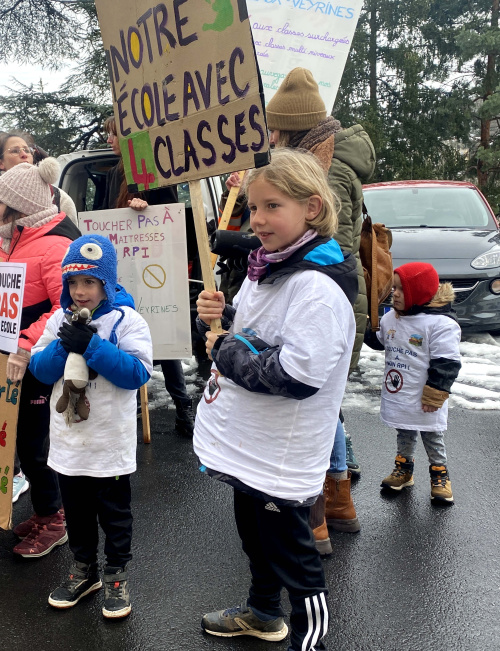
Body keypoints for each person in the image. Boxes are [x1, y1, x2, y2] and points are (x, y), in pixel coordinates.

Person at [194, 149, 357, 650]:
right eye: (251, 207)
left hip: (281, 451)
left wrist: (225, 347)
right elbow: (248, 331)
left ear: (311, 207)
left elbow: (295, 373)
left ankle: (312, 644)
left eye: (271, 206)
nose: (257, 220)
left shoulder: (316, 288)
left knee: (296, 563)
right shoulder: (266, 268)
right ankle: (264, 613)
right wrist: (218, 315)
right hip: (250, 441)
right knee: (256, 540)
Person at [263, 67, 375, 547]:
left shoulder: (326, 169)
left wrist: (258, 246)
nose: (270, 135)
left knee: (313, 406)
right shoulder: (323, 160)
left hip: (327, 303)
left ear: (292, 127)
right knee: (324, 406)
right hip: (333, 299)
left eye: (276, 128)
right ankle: (337, 500)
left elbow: (332, 245)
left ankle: (320, 517)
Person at [29, 235, 152, 618]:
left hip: (108, 441)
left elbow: (137, 372)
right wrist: (65, 345)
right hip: (69, 443)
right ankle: (85, 569)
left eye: (89, 282)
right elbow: (39, 369)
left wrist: (93, 347)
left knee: (114, 513)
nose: (80, 292)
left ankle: (116, 573)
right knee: (77, 511)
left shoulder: (127, 320)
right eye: (73, 283)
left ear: (107, 283)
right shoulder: (57, 320)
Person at [0, 157, 81, 558]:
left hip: (34, 362)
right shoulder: (7, 240)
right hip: (3, 358)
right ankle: (46, 509)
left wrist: (27, 344)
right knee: (14, 437)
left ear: (20, 206)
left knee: (35, 442)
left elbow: (65, 307)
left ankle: (55, 518)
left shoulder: (56, 246)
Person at [100, 116, 195, 438]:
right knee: (128, 332)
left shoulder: (153, 170)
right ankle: (135, 409)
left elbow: (171, 213)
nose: (109, 140)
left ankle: (184, 408)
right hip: (126, 266)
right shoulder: (115, 173)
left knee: (163, 336)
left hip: (157, 266)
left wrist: (147, 205)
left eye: (113, 135)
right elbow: (105, 214)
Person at [372, 262, 461, 504]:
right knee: (404, 430)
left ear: (419, 292)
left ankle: (439, 475)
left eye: (402, 289)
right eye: (394, 288)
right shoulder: (392, 317)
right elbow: (381, 340)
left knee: (432, 434)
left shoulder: (440, 324)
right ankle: (404, 470)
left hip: (425, 395)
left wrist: (435, 394)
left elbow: (447, 362)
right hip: (401, 391)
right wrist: (365, 321)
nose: (395, 294)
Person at [0, 131, 77, 224]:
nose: (24, 154)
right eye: (15, 151)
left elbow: (71, 235)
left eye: (27, 150)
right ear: (0, 163)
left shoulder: (58, 196)